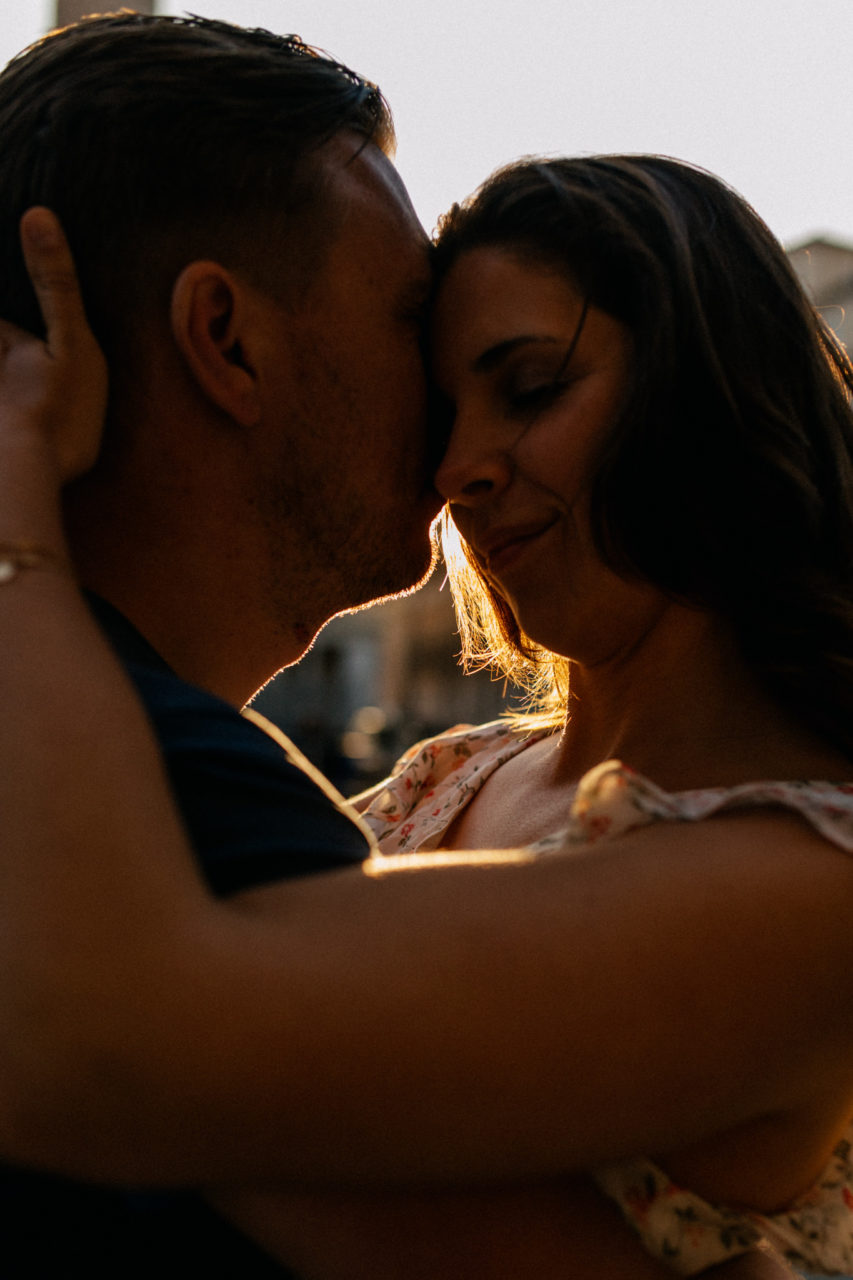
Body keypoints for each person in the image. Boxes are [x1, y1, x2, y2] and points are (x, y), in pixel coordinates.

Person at [0, 11, 839, 1280]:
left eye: (529, 385)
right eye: (432, 367)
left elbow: (152, 1049)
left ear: (708, 389)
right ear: (221, 339)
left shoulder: (807, 878)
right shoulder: (429, 778)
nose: (453, 467)